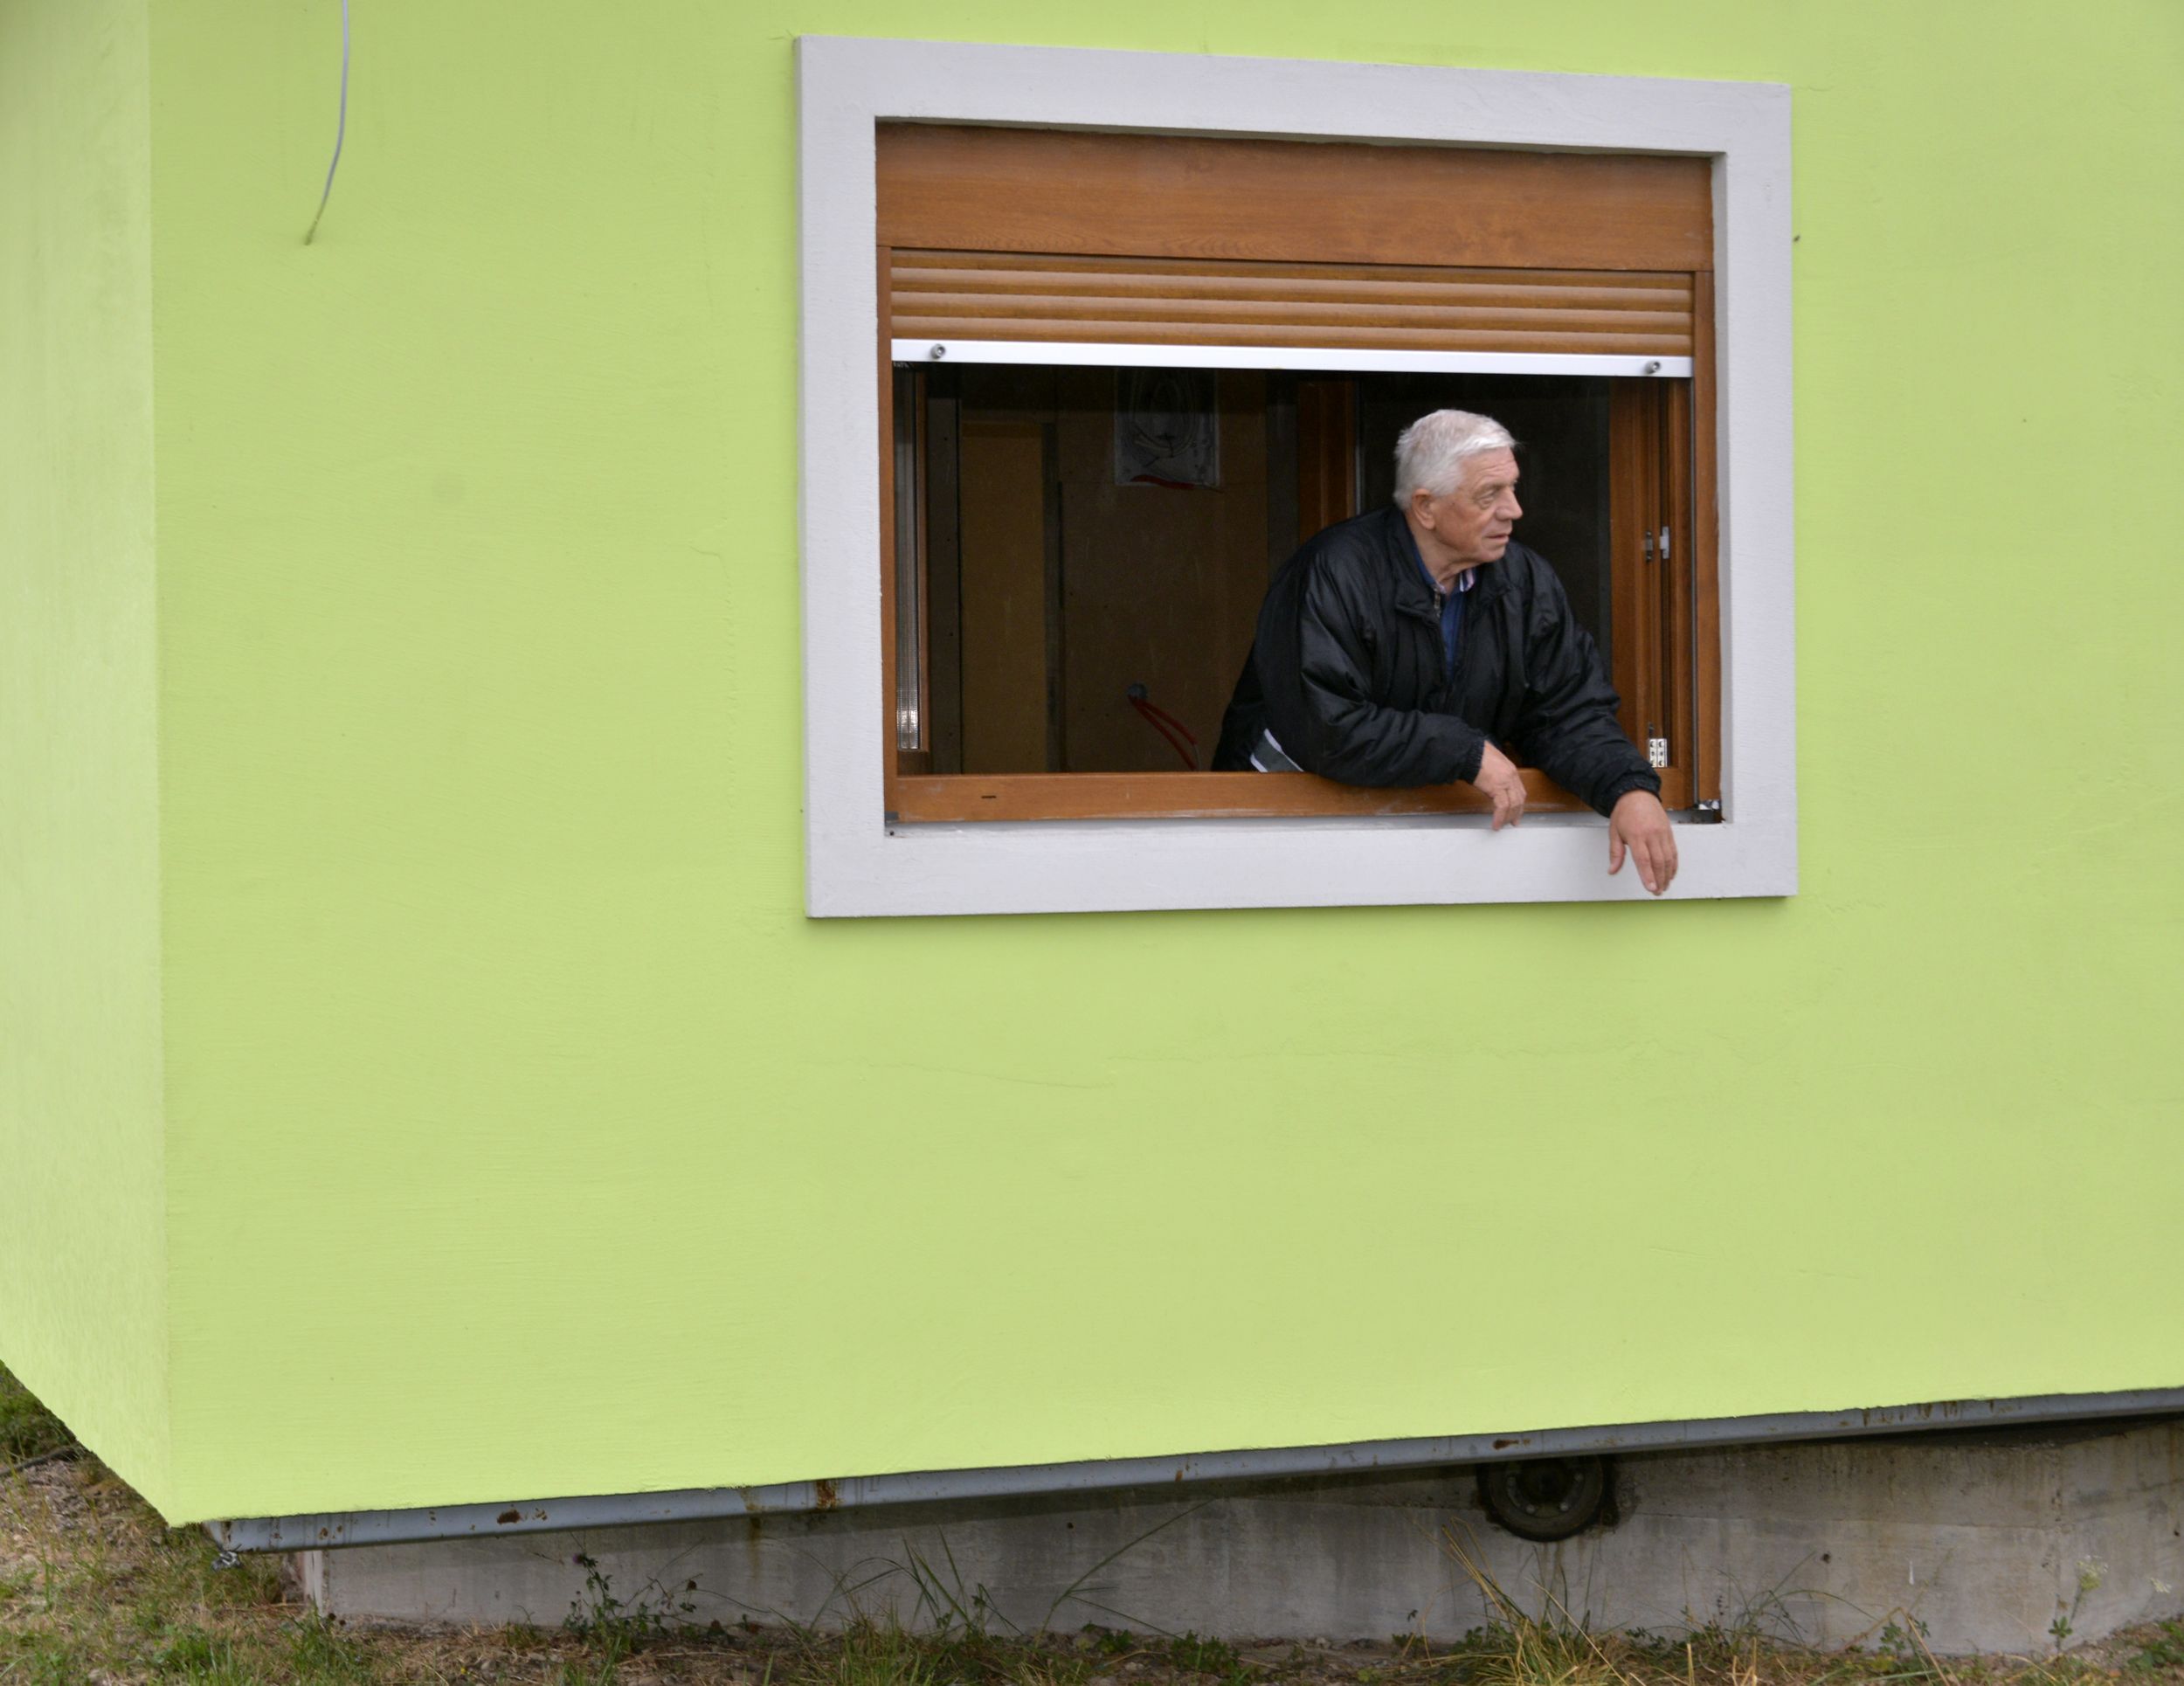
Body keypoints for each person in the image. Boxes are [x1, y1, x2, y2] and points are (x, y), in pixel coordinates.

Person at [1213, 409, 1680, 895]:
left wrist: (1628, 788)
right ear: (1425, 507)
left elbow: (1567, 712)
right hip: (1283, 833)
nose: (1514, 510)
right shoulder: (1334, 571)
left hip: (1427, 834)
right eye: (1489, 495)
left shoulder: (1526, 582)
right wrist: (1464, 750)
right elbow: (1326, 727)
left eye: (1512, 488)